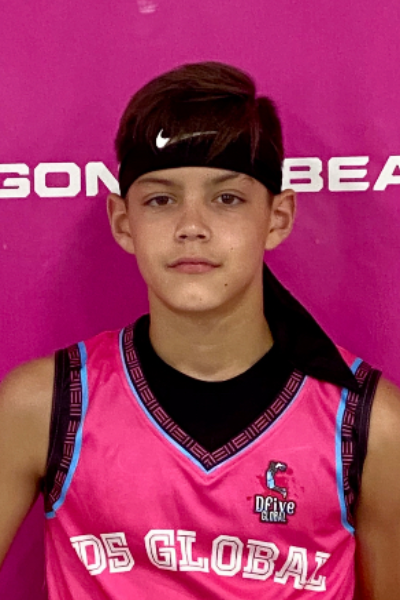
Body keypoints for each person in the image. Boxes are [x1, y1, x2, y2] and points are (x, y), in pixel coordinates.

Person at [0, 61, 399, 600]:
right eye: (161, 200)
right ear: (123, 221)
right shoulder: (45, 405)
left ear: (278, 217)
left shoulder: (370, 427)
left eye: (227, 198)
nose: (192, 226)